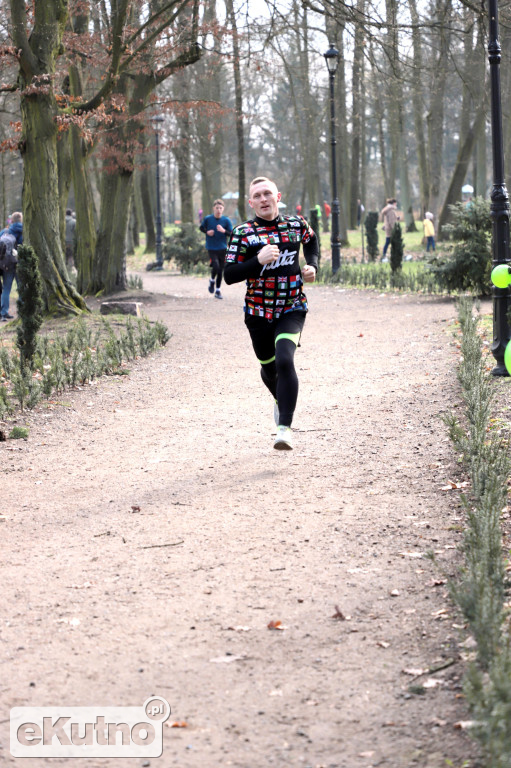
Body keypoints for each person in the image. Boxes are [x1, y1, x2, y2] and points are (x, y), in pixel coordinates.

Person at [224, 176, 319, 451]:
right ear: (251, 202)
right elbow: (229, 275)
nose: (263, 199)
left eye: (268, 194)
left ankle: (284, 429)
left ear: (278, 197)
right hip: (257, 312)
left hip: (292, 306)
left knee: (285, 360)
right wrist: (257, 261)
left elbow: (311, 241)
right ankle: (280, 398)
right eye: (258, 196)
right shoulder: (243, 233)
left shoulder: (296, 224)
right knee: (269, 367)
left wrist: (311, 265)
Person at [199, 199, 233, 299]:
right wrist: (207, 232)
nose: (218, 210)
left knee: (220, 270)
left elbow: (232, 233)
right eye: (217, 208)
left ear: (223, 209)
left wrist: (223, 231)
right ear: (214, 208)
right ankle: (212, 280)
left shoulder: (226, 220)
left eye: (220, 208)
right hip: (211, 247)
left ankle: (218, 290)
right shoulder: (208, 219)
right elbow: (201, 228)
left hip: (223, 248)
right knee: (216, 266)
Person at [0, 211, 22, 321]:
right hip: (19, 263)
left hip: (6, 264)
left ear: (12, 220)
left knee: (6, 288)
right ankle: (22, 311)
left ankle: (4, 312)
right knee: (21, 287)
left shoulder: (5, 231)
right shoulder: (24, 230)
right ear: (21, 220)